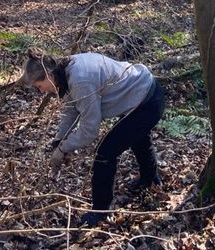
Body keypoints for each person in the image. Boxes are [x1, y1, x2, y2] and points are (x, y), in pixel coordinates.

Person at [17, 47, 166, 227]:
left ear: (48, 75)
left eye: (39, 86)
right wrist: (59, 140)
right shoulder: (65, 69)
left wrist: (64, 148)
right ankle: (150, 180)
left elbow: (90, 129)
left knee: (105, 153)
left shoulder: (80, 79)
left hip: (146, 101)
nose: (41, 91)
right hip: (139, 95)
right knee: (137, 138)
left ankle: (101, 211)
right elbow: (72, 108)